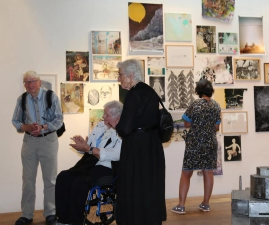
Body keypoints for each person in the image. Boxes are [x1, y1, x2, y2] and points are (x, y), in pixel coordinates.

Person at [115, 59, 166, 225]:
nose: (119, 78)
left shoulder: (133, 94)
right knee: (150, 184)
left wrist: (117, 126)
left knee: (134, 185)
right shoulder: (150, 91)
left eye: (121, 74)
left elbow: (125, 128)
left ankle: (134, 219)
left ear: (131, 75)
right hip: (152, 145)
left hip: (136, 147)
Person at [55, 100, 123, 225]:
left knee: (79, 183)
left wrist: (89, 149)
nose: (103, 117)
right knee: (63, 177)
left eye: (107, 115)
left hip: (106, 166)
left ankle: (75, 222)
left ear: (117, 117)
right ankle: (63, 219)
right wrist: (83, 146)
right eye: (104, 114)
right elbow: (89, 148)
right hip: (90, 162)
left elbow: (116, 155)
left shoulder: (122, 132)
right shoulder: (99, 126)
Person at [11, 71, 64, 225]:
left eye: (33, 81)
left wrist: (43, 127)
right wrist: (27, 126)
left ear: (39, 82)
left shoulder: (51, 97)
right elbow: (15, 121)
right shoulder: (21, 99)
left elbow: (59, 119)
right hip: (29, 142)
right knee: (28, 180)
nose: (30, 85)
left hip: (48, 140)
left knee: (50, 180)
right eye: (26, 82)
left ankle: (51, 213)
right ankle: (26, 214)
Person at [171, 79, 221, 214]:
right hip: (210, 142)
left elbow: (186, 124)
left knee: (186, 173)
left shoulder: (195, 104)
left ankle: (181, 206)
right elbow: (216, 127)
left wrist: (198, 124)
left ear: (198, 91)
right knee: (208, 172)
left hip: (195, 143)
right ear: (211, 91)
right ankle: (206, 204)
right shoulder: (216, 105)